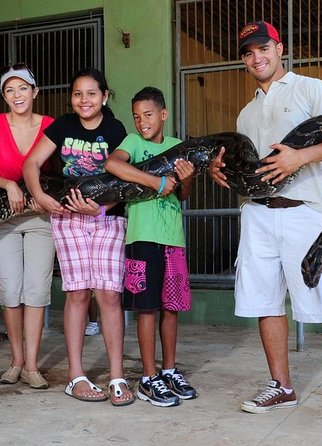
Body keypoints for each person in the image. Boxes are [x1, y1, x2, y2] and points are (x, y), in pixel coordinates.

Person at [209, 21, 322, 431]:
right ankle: (281, 386)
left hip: (305, 210)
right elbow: (247, 168)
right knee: (265, 302)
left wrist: (298, 158)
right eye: (249, 53)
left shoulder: (311, 88)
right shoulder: (246, 111)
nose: (257, 58)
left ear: (279, 48)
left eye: (263, 49)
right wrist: (223, 172)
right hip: (257, 213)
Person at [23, 68, 135, 406]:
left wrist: (100, 210)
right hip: (67, 219)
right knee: (77, 295)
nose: (83, 100)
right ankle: (76, 376)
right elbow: (31, 165)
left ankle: (117, 376)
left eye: (90, 93)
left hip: (108, 220)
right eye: (77, 94)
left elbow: (123, 180)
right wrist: (40, 197)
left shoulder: (115, 129)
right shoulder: (62, 126)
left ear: (104, 96)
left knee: (110, 296)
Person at [105, 86, 198, 407]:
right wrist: (155, 181)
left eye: (147, 115)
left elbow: (183, 195)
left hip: (173, 238)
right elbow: (113, 166)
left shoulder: (177, 147)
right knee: (147, 307)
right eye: (136, 116)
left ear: (163, 114)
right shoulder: (132, 142)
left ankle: (169, 370)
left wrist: (185, 179)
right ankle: (148, 375)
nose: (142, 122)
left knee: (171, 308)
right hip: (141, 237)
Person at [0, 63, 56, 389]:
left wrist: (41, 194)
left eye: (22, 88)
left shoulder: (52, 125)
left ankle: (32, 367)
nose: (17, 95)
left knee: (36, 290)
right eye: (9, 90)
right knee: (10, 289)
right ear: (4, 96)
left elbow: (63, 173)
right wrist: (10, 185)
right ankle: (15, 361)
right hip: (3, 218)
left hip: (40, 217)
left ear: (35, 92)